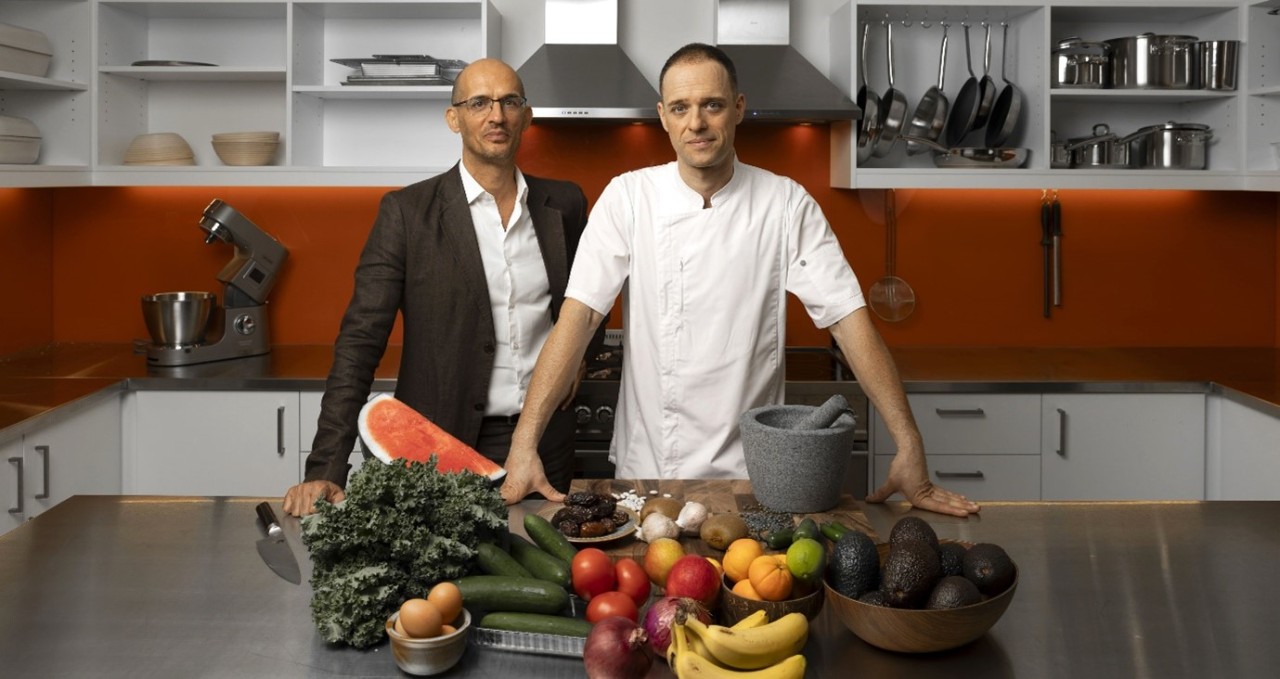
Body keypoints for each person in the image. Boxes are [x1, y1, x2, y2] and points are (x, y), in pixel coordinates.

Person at [500, 43, 979, 518]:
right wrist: (525, 443)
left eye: (712, 105)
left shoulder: (786, 205)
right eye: (682, 108)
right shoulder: (629, 198)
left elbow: (848, 321)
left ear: (738, 108)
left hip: (756, 474)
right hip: (650, 468)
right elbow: (577, 319)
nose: (697, 123)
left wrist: (909, 443)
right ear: (663, 116)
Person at [283, 58, 597, 517]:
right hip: (440, 441)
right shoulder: (407, 213)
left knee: (541, 576)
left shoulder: (563, 204)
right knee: (441, 584)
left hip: (545, 438)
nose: (497, 116)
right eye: (479, 103)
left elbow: (591, 294)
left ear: (526, 116)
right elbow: (360, 342)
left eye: (510, 102)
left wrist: (578, 357)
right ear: (454, 118)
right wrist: (326, 467)